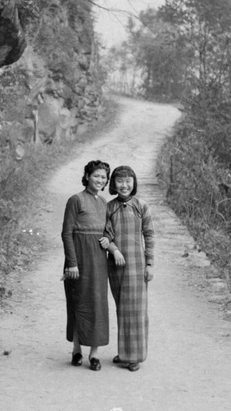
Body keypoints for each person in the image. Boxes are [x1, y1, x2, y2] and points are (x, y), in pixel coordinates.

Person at [103, 165, 155, 372]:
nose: (124, 185)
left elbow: (149, 236)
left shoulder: (141, 206)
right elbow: (105, 236)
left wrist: (150, 264)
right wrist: (114, 250)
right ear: (113, 184)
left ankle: (135, 357)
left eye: (128, 181)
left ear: (134, 183)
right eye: (120, 181)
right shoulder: (108, 208)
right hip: (116, 266)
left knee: (137, 311)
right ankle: (125, 353)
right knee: (122, 310)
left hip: (137, 265)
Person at [61, 159, 111, 371]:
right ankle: (76, 349)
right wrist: (72, 263)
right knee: (78, 301)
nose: (99, 180)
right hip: (79, 258)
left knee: (98, 304)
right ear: (88, 176)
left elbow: (109, 231)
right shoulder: (76, 200)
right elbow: (66, 233)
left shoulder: (104, 203)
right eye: (96, 175)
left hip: (99, 259)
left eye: (103, 177)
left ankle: (94, 354)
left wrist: (108, 240)